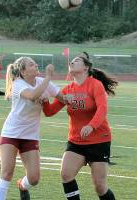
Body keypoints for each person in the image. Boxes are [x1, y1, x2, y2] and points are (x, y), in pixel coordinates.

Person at [42, 52, 118, 200]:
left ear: (86, 68)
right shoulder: (67, 90)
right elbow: (50, 112)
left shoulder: (95, 85)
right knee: (66, 174)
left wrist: (91, 126)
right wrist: (44, 101)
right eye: (71, 61)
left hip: (99, 141)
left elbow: (103, 108)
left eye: (76, 61)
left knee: (100, 187)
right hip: (76, 141)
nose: (72, 62)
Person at [0, 57, 63, 200]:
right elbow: (32, 95)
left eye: (35, 63)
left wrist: (78, 97)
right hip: (11, 134)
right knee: (7, 172)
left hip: (30, 135)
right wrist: (48, 77)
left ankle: (22, 186)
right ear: (23, 72)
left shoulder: (42, 82)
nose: (36, 65)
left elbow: (63, 98)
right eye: (31, 64)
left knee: (34, 178)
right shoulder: (18, 83)